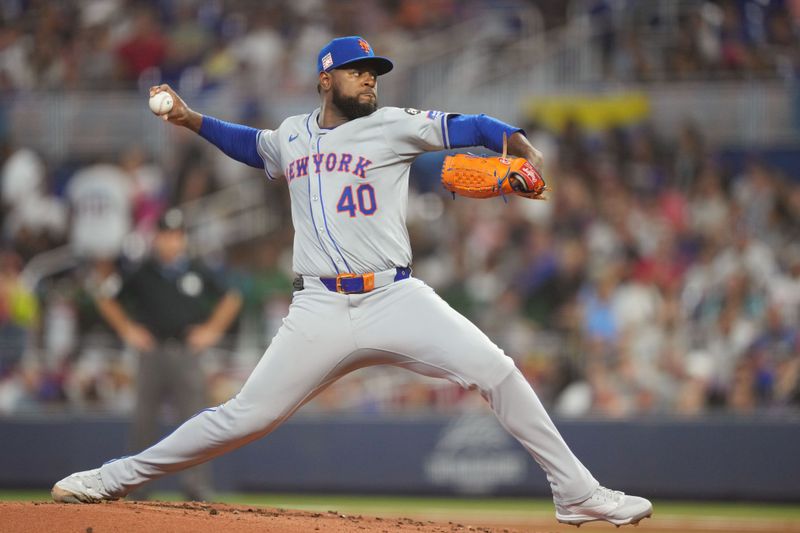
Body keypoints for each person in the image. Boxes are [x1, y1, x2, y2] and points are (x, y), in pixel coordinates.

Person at [52, 36, 652, 527]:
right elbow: (250, 144)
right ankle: (112, 478)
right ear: (325, 80)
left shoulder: (392, 125)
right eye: (358, 72)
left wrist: (516, 141)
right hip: (318, 308)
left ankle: (575, 493)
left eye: (374, 73)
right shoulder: (291, 135)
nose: (370, 80)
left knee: (496, 370)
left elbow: (467, 124)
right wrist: (190, 119)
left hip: (395, 295)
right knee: (243, 418)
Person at [92, 208, 242, 501]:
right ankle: (136, 486)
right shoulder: (143, 270)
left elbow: (232, 298)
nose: (171, 241)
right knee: (144, 422)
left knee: (197, 422)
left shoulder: (197, 269)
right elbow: (105, 299)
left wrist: (211, 329)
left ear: (183, 238)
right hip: (153, 353)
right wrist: (128, 330)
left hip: (187, 352)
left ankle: (196, 486)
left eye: (176, 235)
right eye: (165, 235)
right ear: (156, 237)